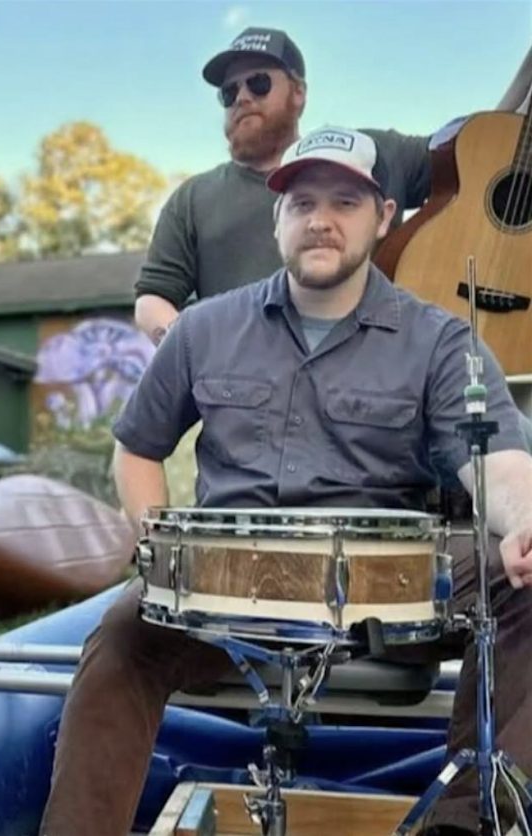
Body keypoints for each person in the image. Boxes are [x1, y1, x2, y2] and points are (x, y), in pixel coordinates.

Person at [39, 127, 532, 836]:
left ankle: (465, 824)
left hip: (390, 583)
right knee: (122, 634)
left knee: (524, 584)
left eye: (344, 202)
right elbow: (137, 448)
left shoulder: (443, 341)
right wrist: (157, 546)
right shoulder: (201, 329)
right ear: (278, 221)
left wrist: (524, 518)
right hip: (225, 580)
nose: (320, 220)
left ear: (383, 217)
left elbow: (496, 462)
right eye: (302, 204)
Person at [133, 26, 532, 345]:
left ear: (299, 93)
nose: (241, 97)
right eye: (228, 92)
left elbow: (475, 151)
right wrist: (189, 348)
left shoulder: (375, 155)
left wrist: (527, 72)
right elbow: (153, 298)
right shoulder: (193, 199)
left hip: (381, 389)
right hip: (253, 402)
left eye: (258, 83)